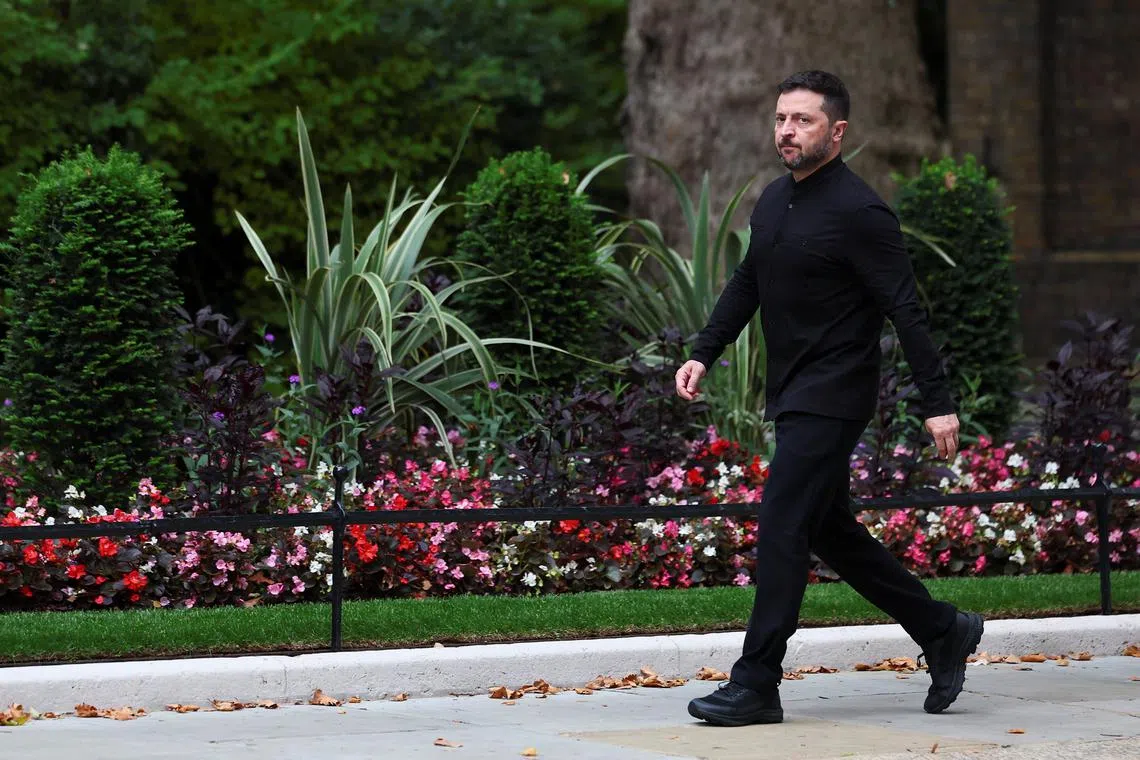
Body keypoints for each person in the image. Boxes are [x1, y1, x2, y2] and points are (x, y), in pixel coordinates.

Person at [676, 70, 984, 727]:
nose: (787, 131)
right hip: (793, 390)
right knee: (828, 531)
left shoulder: (860, 211)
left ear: (836, 131)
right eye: (781, 118)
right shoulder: (774, 200)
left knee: (782, 524)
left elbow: (905, 309)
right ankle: (943, 629)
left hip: (836, 392)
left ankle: (756, 683)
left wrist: (938, 401)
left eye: (803, 120)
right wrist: (704, 350)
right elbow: (748, 280)